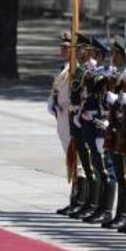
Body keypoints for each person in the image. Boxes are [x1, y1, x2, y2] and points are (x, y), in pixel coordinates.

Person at [49, 32, 87, 216]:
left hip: (72, 121)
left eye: (67, 47)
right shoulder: (64, 69)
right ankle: (75, 199)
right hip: (63, 121)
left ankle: (80, 200)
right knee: (71, 160)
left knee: (77, 161)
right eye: (62, 47)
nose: (63, 50)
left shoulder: (75, 70)